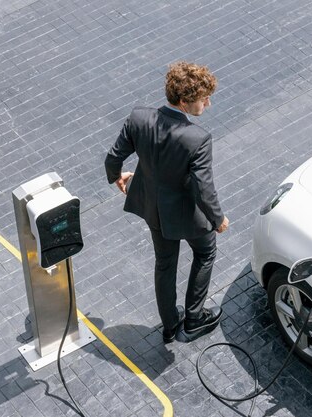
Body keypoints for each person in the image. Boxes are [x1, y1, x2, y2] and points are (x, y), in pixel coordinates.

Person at [105, 61, 229, 343]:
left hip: (154, 211)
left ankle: (171, 325)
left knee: (164, 264)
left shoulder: (139, 119)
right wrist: (217, 219)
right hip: (189, 216)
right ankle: (195, 318)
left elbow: (113, 158)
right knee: (206, 254)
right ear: (185, 102)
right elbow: (203, 187)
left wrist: (117, 177)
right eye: (203, 99)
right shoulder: (197, 138)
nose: (207, 104)